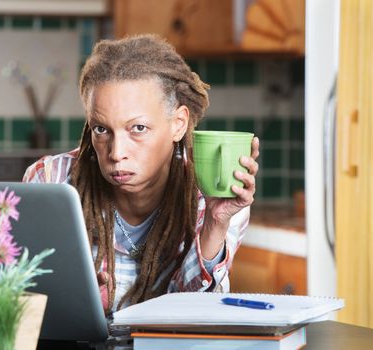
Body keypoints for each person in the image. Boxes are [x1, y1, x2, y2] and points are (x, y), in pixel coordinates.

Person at [23, 34, 260, 314]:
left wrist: (214, 225)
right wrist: (70, 298)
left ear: (178, 124)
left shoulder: (212, 199)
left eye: (138, 129)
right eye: (101, 129)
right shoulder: (51, 182)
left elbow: (191, 316)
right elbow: (21, 299)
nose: (116, 152)